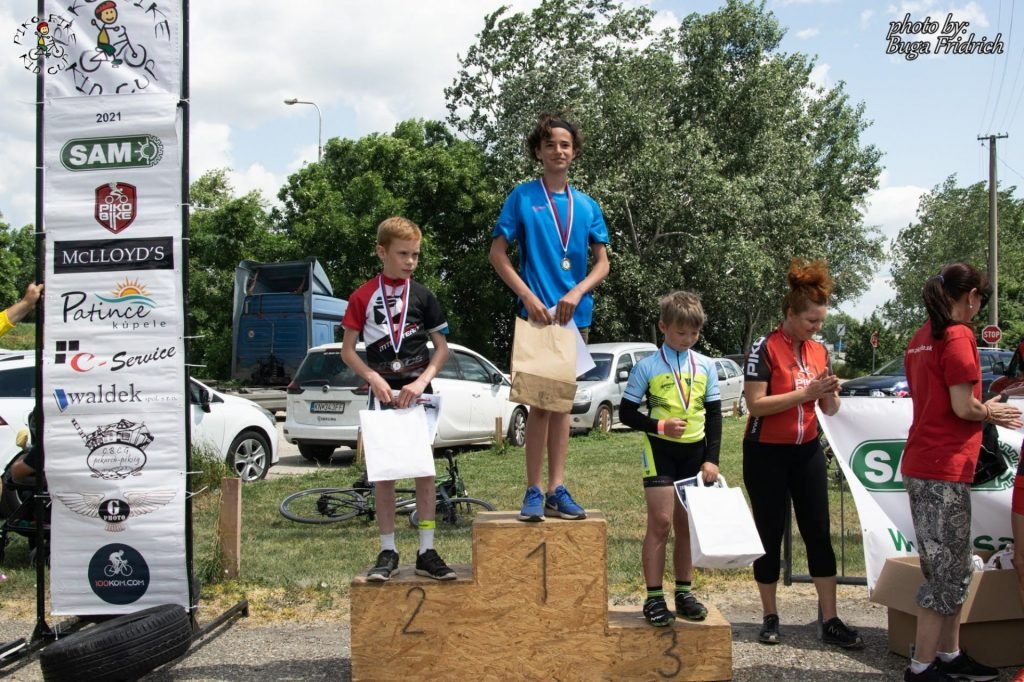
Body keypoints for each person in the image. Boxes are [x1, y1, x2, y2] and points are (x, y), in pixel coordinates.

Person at [899, 262, 1022, 682]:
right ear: (970, 297)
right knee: (946, 572)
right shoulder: (958, 335)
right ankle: (922, 667)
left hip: (926, 462)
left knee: (952, 568)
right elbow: (963, 406)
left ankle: (948, 655)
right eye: (980, 300)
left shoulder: (921, 337)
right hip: (943, 466)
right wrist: (992, 412)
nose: (979, 307)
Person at [489, 112, 610, 523]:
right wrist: (526, 295)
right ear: (538, 151)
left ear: (574, 152)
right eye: (550, 144)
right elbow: (498, 255)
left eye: (565, 145)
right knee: (539, 406)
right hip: (537, 317)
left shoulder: (587, 205)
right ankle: (534, 489)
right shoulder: (523, 197)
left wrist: (577, 292)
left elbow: (603, 264)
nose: (558, 151)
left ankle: (557, 488)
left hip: (573, 318)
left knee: (561, 407)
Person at [742, 258, 863, 649]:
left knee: (818, 533)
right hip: (765, 452)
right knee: (769, 533)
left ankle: (830, 619)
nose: (817, 327)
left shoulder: (819, 351)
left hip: (806, 450)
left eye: (821, 321)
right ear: (791, 314)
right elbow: (756, 405)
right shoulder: (765, 347)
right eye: (811, 320)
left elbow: (830, 409)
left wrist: (829, 393)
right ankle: (770, 616)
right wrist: (805, 393)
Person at [340, 216, 455, 582]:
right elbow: (347, 351)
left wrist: (422, 382)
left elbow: (442, 349)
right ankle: (388, 550)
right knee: (384, 476)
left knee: (425, 473)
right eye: (403, 254)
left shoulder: (423, 295)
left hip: (417, 394)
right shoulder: (361, 296)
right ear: (382, 252)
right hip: (383, 394)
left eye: (415, 255)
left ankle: (426, 550)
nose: (410, 261)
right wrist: (373, 378)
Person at [618, 291, 722, 626]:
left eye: (694, 333)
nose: (688, 339)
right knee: (661, 523)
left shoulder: (705, 365)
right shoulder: (646, 367)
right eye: (681, 332)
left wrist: (712, 459)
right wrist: (659, 425)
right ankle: (653, 597)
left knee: (686, 525)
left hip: (695, 453)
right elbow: (626, 413)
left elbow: (715, 415)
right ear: (663, 327)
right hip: (660, 451)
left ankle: (684, 593)